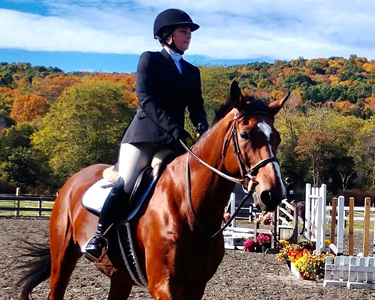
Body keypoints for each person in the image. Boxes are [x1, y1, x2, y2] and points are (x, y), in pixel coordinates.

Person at [85, 8, 209, 262]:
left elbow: (196, 105)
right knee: (127, 182)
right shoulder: (149, 60)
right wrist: (173, 127)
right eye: (183, 31)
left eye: (189, 32)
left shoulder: (192, 72)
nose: (189, 36)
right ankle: (100, 235)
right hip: (143, 136)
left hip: (174, 142)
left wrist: (202, 127)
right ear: (167, 35)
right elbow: (146, 100)